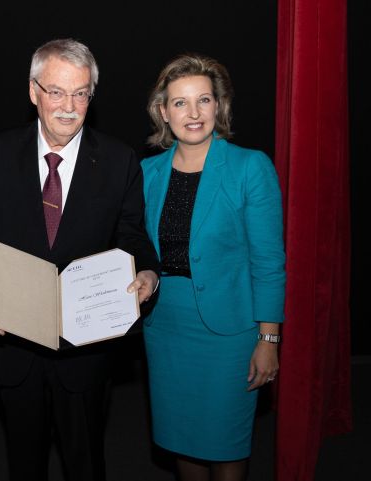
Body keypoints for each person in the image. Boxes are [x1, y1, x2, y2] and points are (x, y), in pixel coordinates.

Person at [0, 38, 160, 481]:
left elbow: (132, 235)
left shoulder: (118, 159)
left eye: (81, 93)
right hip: (13, 347)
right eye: (56, 91)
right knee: (24, 465)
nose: (69, 106)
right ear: (34, 91)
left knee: (86, 464)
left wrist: (147, 272)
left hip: (86, 353)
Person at [140, 54, 285, 481]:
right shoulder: (148, 172)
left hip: (230, 334)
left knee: (225, 443)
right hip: (166, 328)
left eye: (204, 100)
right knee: (182, 439)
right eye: (180, 103)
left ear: (218, 106)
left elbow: (269, 262)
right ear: (163, 112)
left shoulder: (249, 167)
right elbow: (133, 248)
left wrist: (269, 338)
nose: (194, 112)